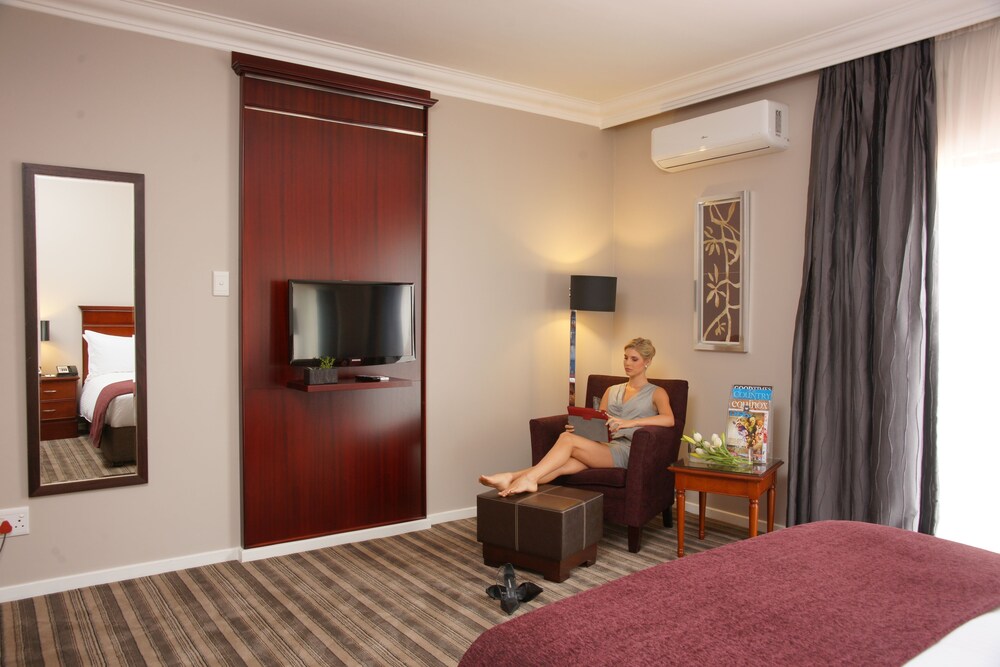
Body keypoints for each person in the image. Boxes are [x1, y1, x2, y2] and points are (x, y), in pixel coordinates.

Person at [479, 337, 674, 497]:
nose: (627, 363)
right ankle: (510, 478)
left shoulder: (657, 392)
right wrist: (580, 429)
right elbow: (600, 422)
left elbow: (669, 419)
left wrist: (630, 423)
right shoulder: (612, 390)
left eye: (634, 359)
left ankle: (527, 479)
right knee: (562, 465)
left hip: (627, 451)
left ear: (647, 362)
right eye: (625, 358)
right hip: (604, 446)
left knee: (567, 440)